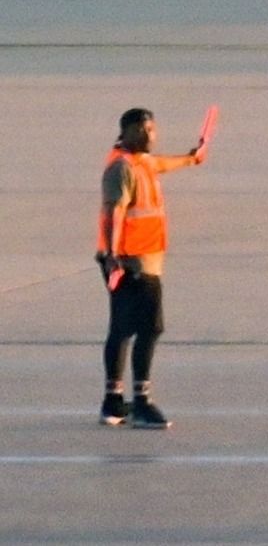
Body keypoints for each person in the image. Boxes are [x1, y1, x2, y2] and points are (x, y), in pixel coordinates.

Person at [95, 105, 211, 430]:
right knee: (150, 328)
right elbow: (113, 213)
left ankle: (113, 401)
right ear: (127, 131)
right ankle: (142, 402)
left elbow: (163, 163)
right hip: (133, 261)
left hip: (133, 259)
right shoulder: (122, 168)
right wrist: (113, 255)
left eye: (153, 130)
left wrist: (192, 157)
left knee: (121, 329)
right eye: (143, 130)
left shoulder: (140, 162)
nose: (150, 135)